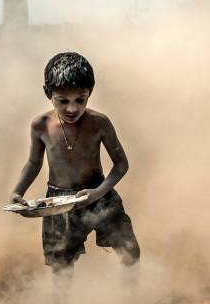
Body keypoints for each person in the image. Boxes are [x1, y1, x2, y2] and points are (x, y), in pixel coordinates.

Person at [9, 52, 140, 277]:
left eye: (80, 99)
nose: (72, 109)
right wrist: (17, 192)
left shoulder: (99, 123)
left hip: (99, 195)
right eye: (63, 101)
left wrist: (98, 193)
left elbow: (121, 164)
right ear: (48, 93)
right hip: (58, 202)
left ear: (90, 92)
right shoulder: (40, 125)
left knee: (130, 252)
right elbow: (33, 163)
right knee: (61, 266)